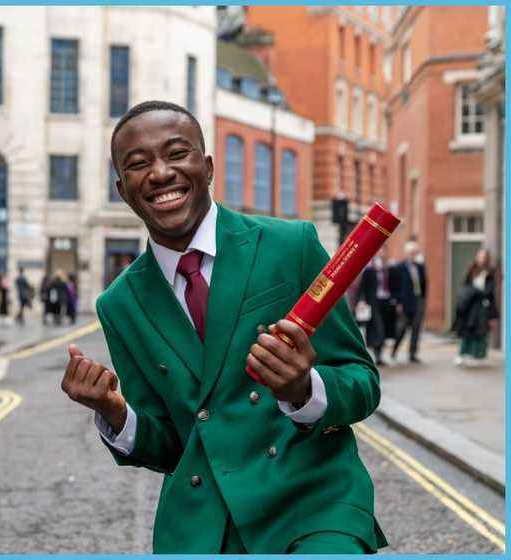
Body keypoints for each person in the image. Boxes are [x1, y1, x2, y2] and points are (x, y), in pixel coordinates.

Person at [60, 100, 386, 553]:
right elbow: (173, 445)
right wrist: (116, 412)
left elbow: (362, 382)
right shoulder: (120, 304)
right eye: (138, 164)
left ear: (207, 167)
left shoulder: (291, 246)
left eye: (177, 154)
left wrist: (303, 388)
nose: (159, 173)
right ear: (123, 189)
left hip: (313, 504)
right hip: (204, 526)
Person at [453, 248, 499, 366]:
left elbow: (489, 293)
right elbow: (465, 287)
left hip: (482, 308)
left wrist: (493, 315)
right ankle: (462, 354)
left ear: (486, 258)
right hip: (470, 307)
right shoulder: (471, 270)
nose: (481, 259)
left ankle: (478, 355)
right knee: (467, 331)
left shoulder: (490, 272)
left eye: (483, 257)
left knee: (480, 332)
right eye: (479, 256)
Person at [389, 241, 427, 364]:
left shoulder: (420, 267)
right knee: (402, 328)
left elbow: (424, 284)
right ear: (407, 253)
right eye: (411, 252)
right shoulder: (399, 267)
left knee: (416, 328)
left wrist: (423, 298)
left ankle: (413, 354)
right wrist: (398, 302)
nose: (414, 255)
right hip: (404, 302)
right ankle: (394, 350)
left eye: (415, 252)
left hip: (418, 300)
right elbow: (395, 286)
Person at [356, 253, 395, 366]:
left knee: (386, 328)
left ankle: (379, 355)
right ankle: (377, 355)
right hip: (374, 302)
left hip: (386, 302)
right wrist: (361, 300)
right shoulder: (370, 269)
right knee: (378, 329)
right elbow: (362, 286)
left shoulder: (388, 268)